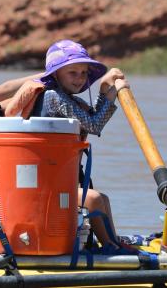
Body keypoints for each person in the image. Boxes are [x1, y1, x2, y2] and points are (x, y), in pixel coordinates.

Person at [33, 39, 129, 248]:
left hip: (59, 180)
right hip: (44, 184)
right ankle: (111, 248)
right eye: (72, 73)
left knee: (102, 198)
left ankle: (114, 243)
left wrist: (108, 92)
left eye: (84, 73)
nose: (79, 79)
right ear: (56, 74)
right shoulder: (53, 97)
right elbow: (94, 125)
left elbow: (92, 117)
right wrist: (106, 91)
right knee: (93, 199)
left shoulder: (69, 99)